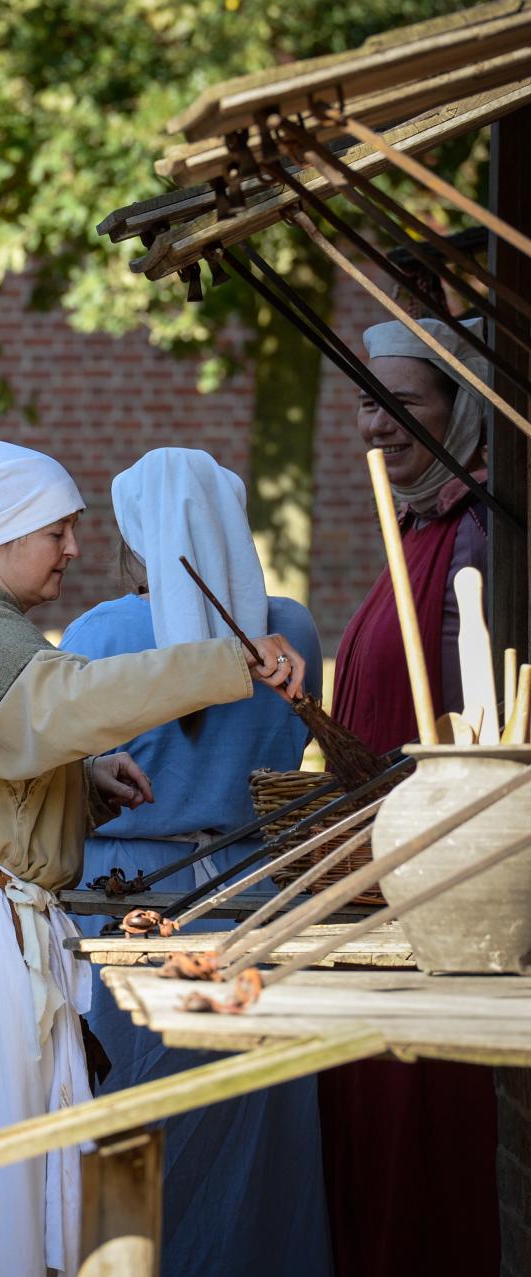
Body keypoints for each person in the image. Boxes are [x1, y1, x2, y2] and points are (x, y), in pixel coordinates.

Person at [0, 439, 306, 1277]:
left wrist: (81, 782)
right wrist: (227, 658)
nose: (75, 549)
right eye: (57, 530)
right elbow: (69, 701)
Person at [59, 449, 329, 1277]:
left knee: (134, 1120)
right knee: (252, 1125)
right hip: (254, 896)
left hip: (132, 903)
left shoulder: (103, 632)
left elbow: (69, 772)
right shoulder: (294, 627)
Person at [320, 315, 499, 1277]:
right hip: (374, 882)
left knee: (421, 1133)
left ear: (461, 409)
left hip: (439, 888)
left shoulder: (478, 536)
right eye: (366, 401)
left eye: (404, 404)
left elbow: (481, 721)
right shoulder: (422, 523)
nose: (377, 425)